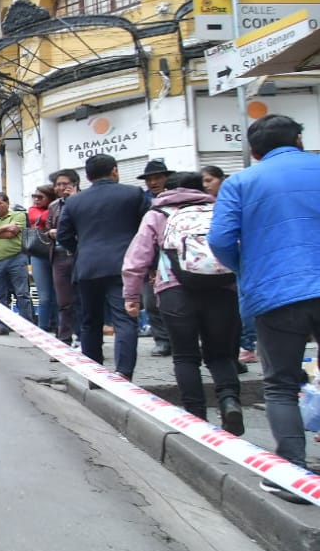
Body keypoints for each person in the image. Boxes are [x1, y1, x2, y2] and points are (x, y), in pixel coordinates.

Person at [208, 114, 320, 503]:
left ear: (254, 152)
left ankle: (292, 472)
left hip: (276, 293)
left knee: (281, 384)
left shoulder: (241, 182)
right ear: (300, 140)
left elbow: (221, 240)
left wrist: (247, 265)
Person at [122, 172, 243, 435]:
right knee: (221, 354)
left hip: (175, 292)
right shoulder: (219, 208)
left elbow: (136, 260)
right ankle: (229, 400)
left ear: (167, 190)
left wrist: (132, 297)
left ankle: (195, 418)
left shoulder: (158, 214)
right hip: (222, 288)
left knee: (185, 356)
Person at [56, 153, 148, 381]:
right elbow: (147, 231)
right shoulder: (134, 194)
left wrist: (82, 249)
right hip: (124, 266)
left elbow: (63, 235)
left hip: (87, 267)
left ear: (87, 177)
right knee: (125, 320)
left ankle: (94, 375)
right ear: (115, 170)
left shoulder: (75, 201)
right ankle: (124, 374)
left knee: (89, 322)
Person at [203, 164, 258, 366]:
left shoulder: (231, 196)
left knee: (245, 302)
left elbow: (220, 238)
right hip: (230, 262)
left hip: (239, 259)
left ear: (221, 179)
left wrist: (235, 263)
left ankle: (248, 344)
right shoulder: (207, 203)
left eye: (210, 180)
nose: (206, 185)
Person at [136, 160, 174, 357]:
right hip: (150, 259)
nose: (153, 182)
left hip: (176, 258)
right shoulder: (142, 201)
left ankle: (179, 340)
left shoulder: (178, 198)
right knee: (151, 303)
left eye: (157, 178)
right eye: (149, 179)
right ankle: (162, 341)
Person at [0, 192, 34, 332]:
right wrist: (4, 228)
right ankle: (1, 325)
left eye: (0, 203)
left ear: (7, 203)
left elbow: (13, 233)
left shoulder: (18, 215)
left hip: (16, 258)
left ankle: (27, 327)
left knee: (22, 293)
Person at [48, 169, 83, 345]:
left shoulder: (84, 200)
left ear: (75, 184)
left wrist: (74, 200)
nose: (61, 187)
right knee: (64, 301)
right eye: (58, 184)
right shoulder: (53, 206)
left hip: (80, 254)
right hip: (60, 255)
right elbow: (47, 229)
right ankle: (64, 339)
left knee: (82, 299)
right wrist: (52, 233)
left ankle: (84, 339)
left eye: (65, 183)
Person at [26, 184, 58, 332]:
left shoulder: (57, 207)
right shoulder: (33, 210)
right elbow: (38, 217)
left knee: (57, 295)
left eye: (40, 197)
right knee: (44, 295)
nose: (36, 200)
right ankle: (43, 327)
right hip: (39, 254)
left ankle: (58, 326)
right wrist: (56, 208)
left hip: (57, 253)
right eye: (34, 197)